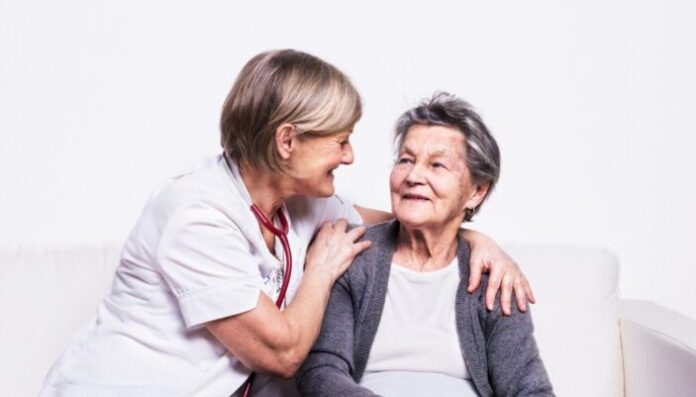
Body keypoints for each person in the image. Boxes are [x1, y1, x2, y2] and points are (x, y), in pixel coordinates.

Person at [40, 51, 535, 397]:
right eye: (339, 141)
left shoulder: (301, 201)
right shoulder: (193, 216)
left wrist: (474, 237)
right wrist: (319, 271)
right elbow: (283, 354)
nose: (349, 156)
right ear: (286, 141)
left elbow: (406, 217)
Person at [297, 92, 554, 397]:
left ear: (476, 191)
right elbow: (321, 371)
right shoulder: (350, 254)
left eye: (437, 165)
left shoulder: (494, 277)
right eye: (406, 160)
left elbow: (529, 388)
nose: (414, 175)